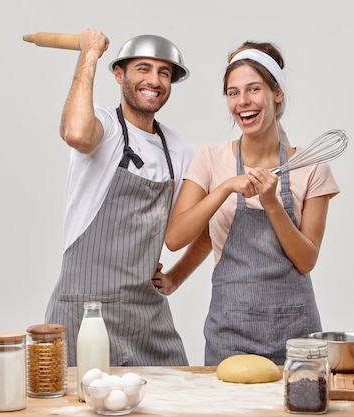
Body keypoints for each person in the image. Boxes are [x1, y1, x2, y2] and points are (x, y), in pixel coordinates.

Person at [163, 41, 340, 365]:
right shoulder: (210, 159)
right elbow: (175, 237)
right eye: (233, 92)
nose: (243, 101)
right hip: (229, 334)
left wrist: (272, 204)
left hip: (296, 335)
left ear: (277, 93)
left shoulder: (312, 167)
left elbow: (305, 261)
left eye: (253, 89)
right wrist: (226, 187)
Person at [44, 29, 211, 367]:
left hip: (146, 316)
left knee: (175, 402)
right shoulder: (102, 125)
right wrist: (88, 55)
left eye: (164, 72)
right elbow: (75, 133)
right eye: (143, 68)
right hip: (83, 311)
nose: (155, 79)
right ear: (119, 74)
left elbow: (205, 224)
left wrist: (176, 276)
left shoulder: (179, 149)